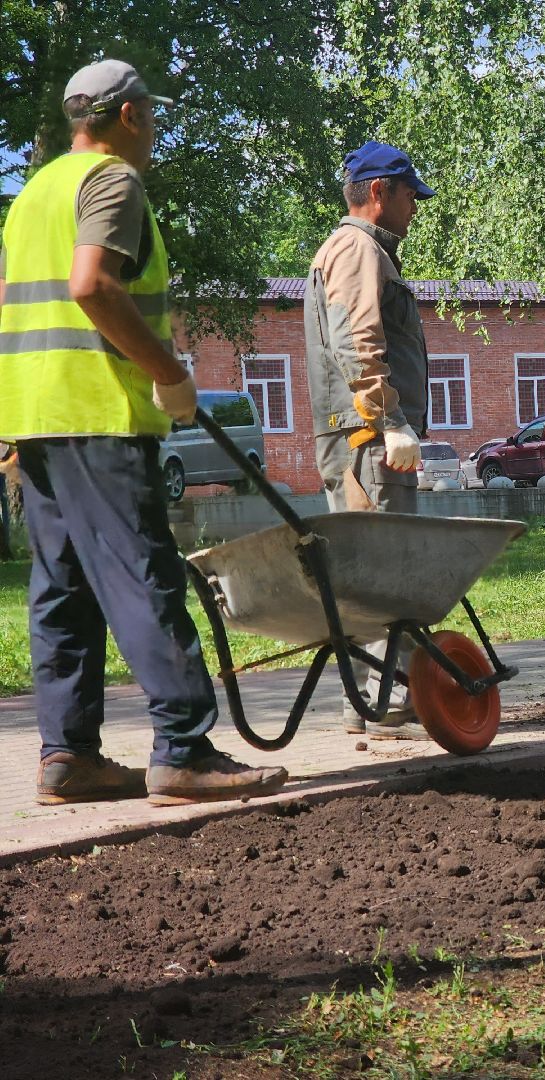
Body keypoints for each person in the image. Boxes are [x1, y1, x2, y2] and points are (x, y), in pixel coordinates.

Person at [0, 59, 288, 805]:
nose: (154, 131)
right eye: (152, 116)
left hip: (35, 418)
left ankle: (68, 757)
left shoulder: (32, 194)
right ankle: (184, 751)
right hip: (100, 411)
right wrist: (168, 373)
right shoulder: (112, 182)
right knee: (142, 575)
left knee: (61, 588)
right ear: (128, 116)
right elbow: (92, 284)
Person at [304, 140, 434, 738]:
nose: (416, 207)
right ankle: (392, 698)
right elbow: (357, 344)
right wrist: (391, 421)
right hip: (367, 443)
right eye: (410, 195)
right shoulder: (357, 248)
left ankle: (369, 699)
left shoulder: (358, 249)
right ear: (379, 192)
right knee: (386, 570)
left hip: (356, 440)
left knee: (360, 575)